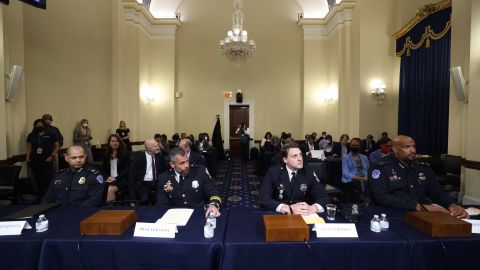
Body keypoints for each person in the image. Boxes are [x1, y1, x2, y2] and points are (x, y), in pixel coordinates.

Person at [368, 135, 468, 218]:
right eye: (406, 147)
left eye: (414, 146)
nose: (412, 150)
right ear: (395, 150)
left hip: (422, 215)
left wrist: (451, 204)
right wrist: (418, 206)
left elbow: (437, 191)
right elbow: (382, 198)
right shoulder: (381, 167)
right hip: (392, 214)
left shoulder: (421, 167)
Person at [258, 143, 330, 215]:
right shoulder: (273, 172)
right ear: (285, 159)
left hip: (303, 215)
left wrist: (313, 208)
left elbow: (324, 197)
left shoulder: (309, 173)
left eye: (300, 155)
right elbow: (264, 198)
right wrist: (286, 208)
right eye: (294, 156)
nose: (300, 159)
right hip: (280, 215)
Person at [157, 148, 222, 217]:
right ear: (172, 165)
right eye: (182, 163)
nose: (186, 165)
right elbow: (162, 203)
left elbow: (213, 192)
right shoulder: (164, 178)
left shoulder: (200, 171)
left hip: (198, 214)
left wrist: (213, 205)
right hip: (175, 215)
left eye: (187, 161)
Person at [26, 119, 59, 203]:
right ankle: (40, 196)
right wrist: (28, 157)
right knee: (37, 179)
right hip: (34, 160)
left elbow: (57, 146)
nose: (39, 126)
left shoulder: (51, 134)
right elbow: (29, 147)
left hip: (46, 160)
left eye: (41, 125)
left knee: (48, 179)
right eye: (37, 125)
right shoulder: (31, 135)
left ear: (44, 126)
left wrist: (51, 155)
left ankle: (49, 197)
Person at [129, 139, 166, 205]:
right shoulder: (138, 158)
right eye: (155, 146)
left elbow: (164, 172)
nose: (158, 147)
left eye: (158, 145)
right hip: (143, 183)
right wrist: (132, 197)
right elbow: (132, 177)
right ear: (148, 149)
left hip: (157, 182)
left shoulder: (160, 156)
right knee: (144, 200)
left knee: (161, 201)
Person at [102, 134, 130, 203]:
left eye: (117, 141)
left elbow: (126, 170)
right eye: (112, 141)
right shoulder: (106, 155)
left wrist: (116, 178)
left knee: (110, 189)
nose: (115, 143)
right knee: (101, 188)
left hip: (122, 179)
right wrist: (107, 177)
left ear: (120, 142)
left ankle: (110, 209)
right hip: (110, 179)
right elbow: (104, 169)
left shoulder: (125, 154)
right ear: (109, 143)